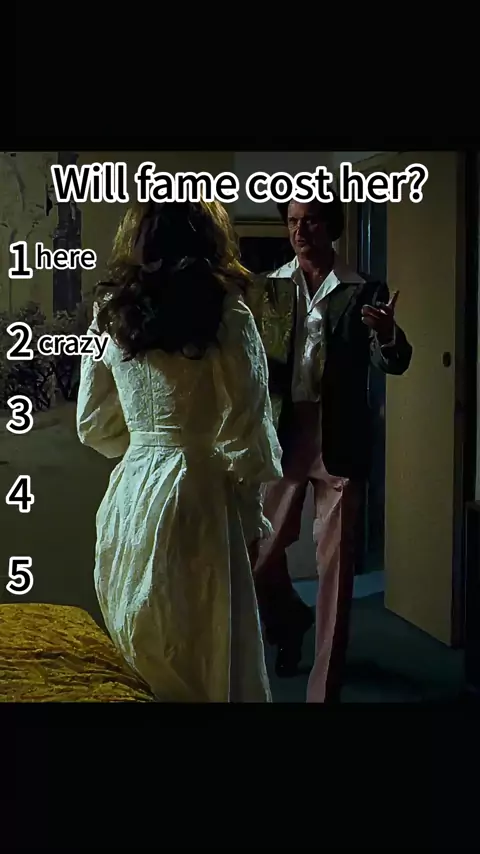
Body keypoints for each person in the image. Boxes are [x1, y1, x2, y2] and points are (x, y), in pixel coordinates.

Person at [76, 199, 283, 703]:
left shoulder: (110, 315)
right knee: (206, 648)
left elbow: (92, 422)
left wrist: (144, 445)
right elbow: (248, 427)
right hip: (200, 490)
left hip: (132, 493)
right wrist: (249, 510)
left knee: (141, 643)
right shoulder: (227, 313)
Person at [247, 192, 413, 703]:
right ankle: (289, 621)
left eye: (311, 221)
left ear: (332, 226)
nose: (300, 231)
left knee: (336, 571)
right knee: (258, 556)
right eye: (293, 222)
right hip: (283, 434)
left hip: (339, 438)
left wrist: (388, 336)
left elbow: (394, 362)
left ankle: (325, 692)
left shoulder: (364, 288)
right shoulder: (269, 288)